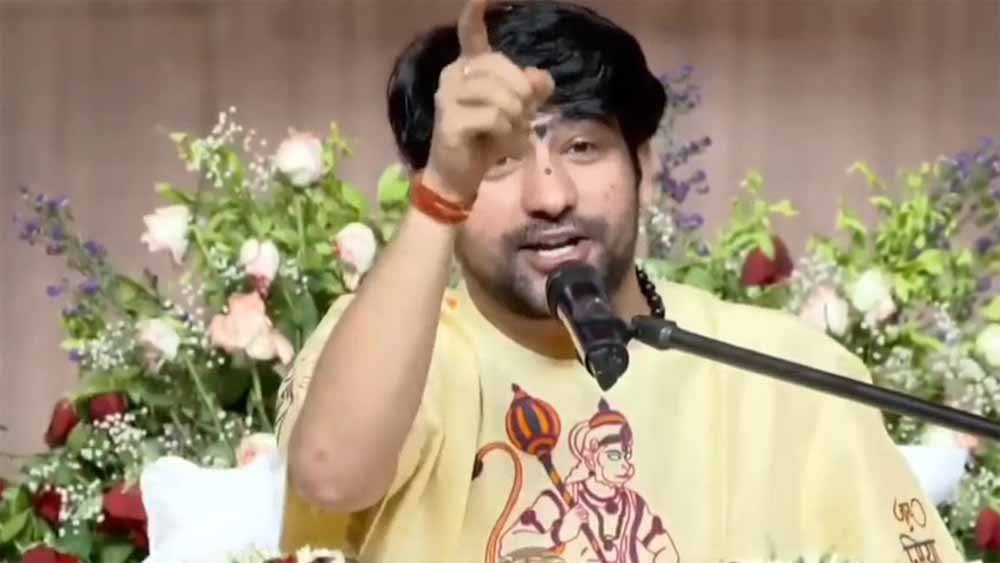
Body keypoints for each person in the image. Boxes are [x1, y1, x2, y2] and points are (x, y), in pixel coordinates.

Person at [275, 1, 963, 562]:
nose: (550, 195)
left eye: (582, 146)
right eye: (497, 159)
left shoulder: (790, 373)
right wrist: (442, 195)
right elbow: (333, 473)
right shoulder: (399, 355)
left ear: (646, 168)